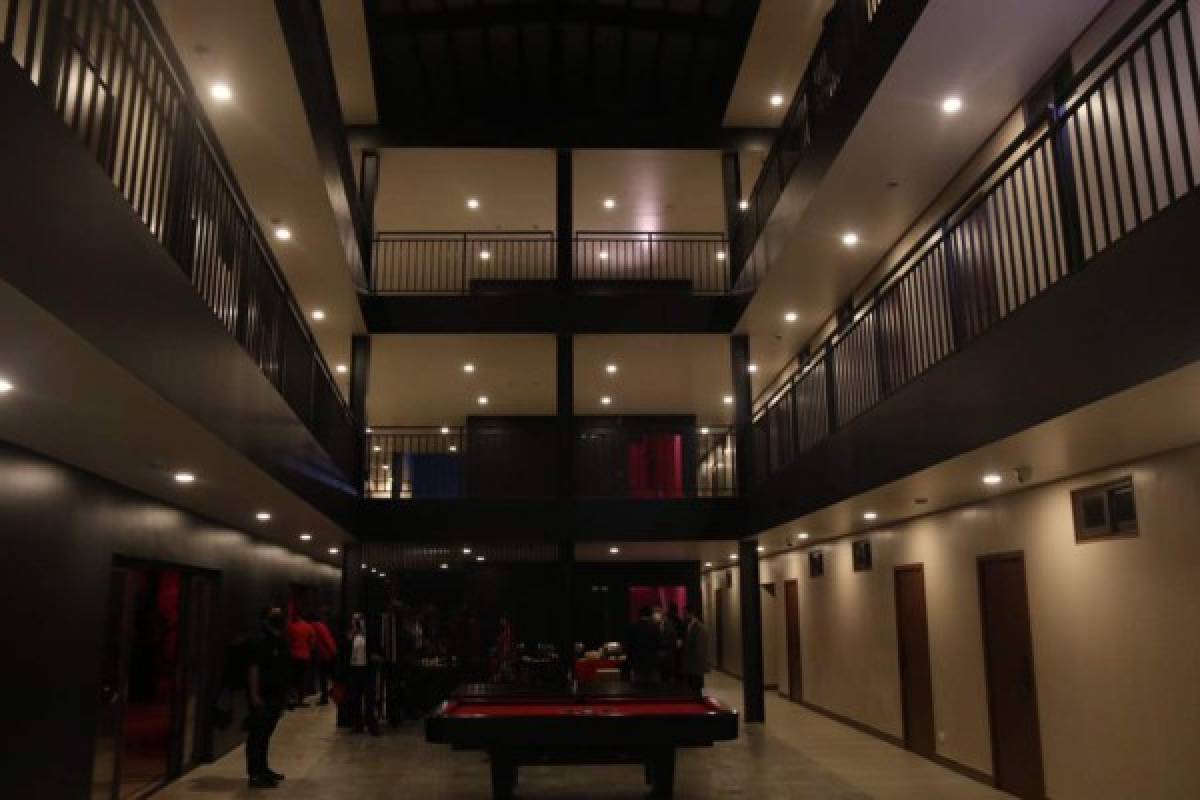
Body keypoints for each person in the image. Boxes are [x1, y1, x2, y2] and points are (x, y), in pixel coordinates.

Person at [245, 606, 290, 789]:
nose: (279, 618)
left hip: (276, 695)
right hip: (263, 696)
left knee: (265, 735)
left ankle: (263, 769)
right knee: (257, 735)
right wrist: (255, 694)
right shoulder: (260, 641)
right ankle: (255, 774)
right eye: (274, 615)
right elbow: (254, 668)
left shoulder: (279, 640)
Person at [345, 611, 381, 735]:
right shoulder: (350, 635)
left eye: (359, 619)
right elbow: (345, 652)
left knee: (369, 698)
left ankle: (371, 723)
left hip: (367, 669)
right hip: (354, 669)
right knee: (355, 697)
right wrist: (351, 636)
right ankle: (357, 724)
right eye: (354, 619)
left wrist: (376, 657)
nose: (357, 622)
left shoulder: (369, 634)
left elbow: (376, 649)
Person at [625, 606, 664, 684]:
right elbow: (660, 644)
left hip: (637, 664)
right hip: (652, 664)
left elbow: (628, 645)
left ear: (639, 615)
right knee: (653, 688)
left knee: (638, 688)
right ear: (650, 615)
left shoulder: (633, 626)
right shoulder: (655, 627)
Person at [286, 610, 315, 709]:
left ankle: (292, 699)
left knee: (293, 679)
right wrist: (308, 648)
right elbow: (312, 640)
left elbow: (288, 640)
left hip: (293, 656)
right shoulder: (307, 626)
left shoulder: (290, 626)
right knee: (302, 679)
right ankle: (300, 699)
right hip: (305, 656)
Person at [312, 608, 338, 705]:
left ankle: (326, 697)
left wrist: (333, 652)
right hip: (327, 654)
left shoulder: (316, 626)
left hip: (324, 655)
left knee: (324, 677)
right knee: (328, 677)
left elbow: (326, 640)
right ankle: (329, 695)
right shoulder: (321, 626)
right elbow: (328, 639)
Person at [680, 606, 709, 694]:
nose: (684, 615)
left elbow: (700, 648)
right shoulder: (688, 625)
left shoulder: (700, 627)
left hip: (696, 663)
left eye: (685, 613)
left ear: (691, 614)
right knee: (691, 686)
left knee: (697, 686)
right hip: (690, 662)